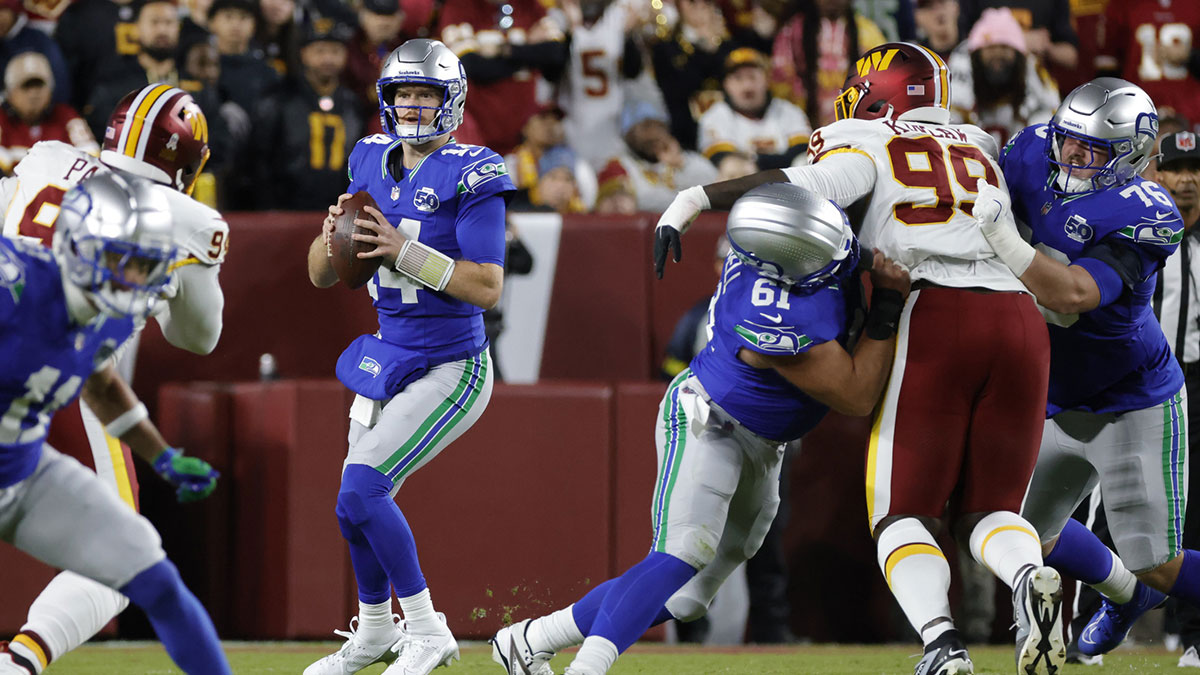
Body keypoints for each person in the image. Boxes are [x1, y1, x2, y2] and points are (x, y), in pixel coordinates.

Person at [650, 41, 1064, 674]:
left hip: (937, 313)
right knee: (992, 510)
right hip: (1020, 317)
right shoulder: (978, 146)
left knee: (901, 513)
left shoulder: (866, 140)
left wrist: (693, 199)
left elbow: (792, 187)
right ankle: (1029, 575)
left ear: (880, 91)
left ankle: (942, 645)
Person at [491, 182, 911, 675]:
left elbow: (811, 208)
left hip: (764, 443)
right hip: (711, 421)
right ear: (788, 264)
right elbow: (857, 395)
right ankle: (588, 668)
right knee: (681, 553)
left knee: (688, 598)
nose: (841, 252)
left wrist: (694, 197)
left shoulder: (783, 245)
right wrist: (887, 304)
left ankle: (531, 638)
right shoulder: (772, 317)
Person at [0, 83, 226, 675]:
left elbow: (97, 372)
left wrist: (160, 454)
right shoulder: (182, 221)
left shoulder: (49, 161)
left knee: (139, 562)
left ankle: (18, 664)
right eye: (124, 262)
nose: (134, 284)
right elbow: (198, 337)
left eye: (150, 267)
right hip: (32, 389)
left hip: (26, 445)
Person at [304, 38, 512, 675]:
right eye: (403, 94)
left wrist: (400, 251)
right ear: (386, 100)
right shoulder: (368, 158)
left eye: (426, 94)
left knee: (365, 486)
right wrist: (331, 232)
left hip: (452, 364)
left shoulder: (474, 170)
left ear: (451, 101)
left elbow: (486, 287)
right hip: (390, 357)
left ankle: (425, 629)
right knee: (350, 501)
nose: (414, 106)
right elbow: (318, 274)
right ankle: (373, 629)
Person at [970, 77, 1192, 665]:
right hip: (1050, 391)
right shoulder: (1029, 149)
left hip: (1130, 398)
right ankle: (1123, 596)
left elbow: (1072, 293)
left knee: (1159, 563)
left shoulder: (1148, 211)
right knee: (1019, 533)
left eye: (1090, 149)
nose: (1070, 155)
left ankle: (1138, 586)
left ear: (1131, 156)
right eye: (1068, 141)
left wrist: (1002, 238)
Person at [1148, 130, 1200, 667]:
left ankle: (1194, 633)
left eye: (1197, 168)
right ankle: (1092, 619)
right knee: (1109, 506)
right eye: (1177, 167)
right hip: (1138, 382)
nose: (1187, 179)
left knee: (1197, 509)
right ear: (1157, 174)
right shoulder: (1136, 232)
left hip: (1197, 382)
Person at [697, 47, 812, 174]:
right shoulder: (714, 116)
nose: (747, 86)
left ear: (767, 80)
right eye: (738, 78)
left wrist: (756, 161)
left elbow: (803, 151)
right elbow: (722, 158)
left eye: (752, 77)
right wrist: (776, 161)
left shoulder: (788, 111)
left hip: (790, 187)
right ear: (727, 85)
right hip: (741, 190)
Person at [0, 52, 98, 174]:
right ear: (10, 93)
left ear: (51, 89)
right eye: (26, 86)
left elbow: (92, 163)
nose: (33, 94)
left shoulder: (67, 116)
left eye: (39, 85)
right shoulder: (2, 119)